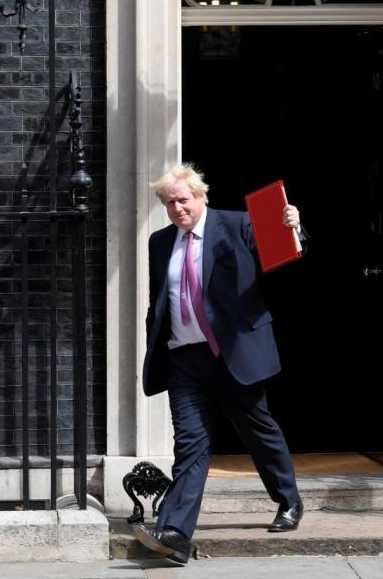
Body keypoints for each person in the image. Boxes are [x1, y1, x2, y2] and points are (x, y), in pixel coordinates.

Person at [132, 164, 304, 565]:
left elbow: (281, 252)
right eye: (170, 203)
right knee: (190, 444)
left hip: (232, 352)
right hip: (184, 358)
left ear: (201, 196)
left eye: (183, 200)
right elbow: (161, 300)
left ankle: (289, 500)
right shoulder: (160, 242)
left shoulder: (239, 224)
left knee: (257, 429)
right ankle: (175, 533)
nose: (177, 208)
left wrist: (292, 226)